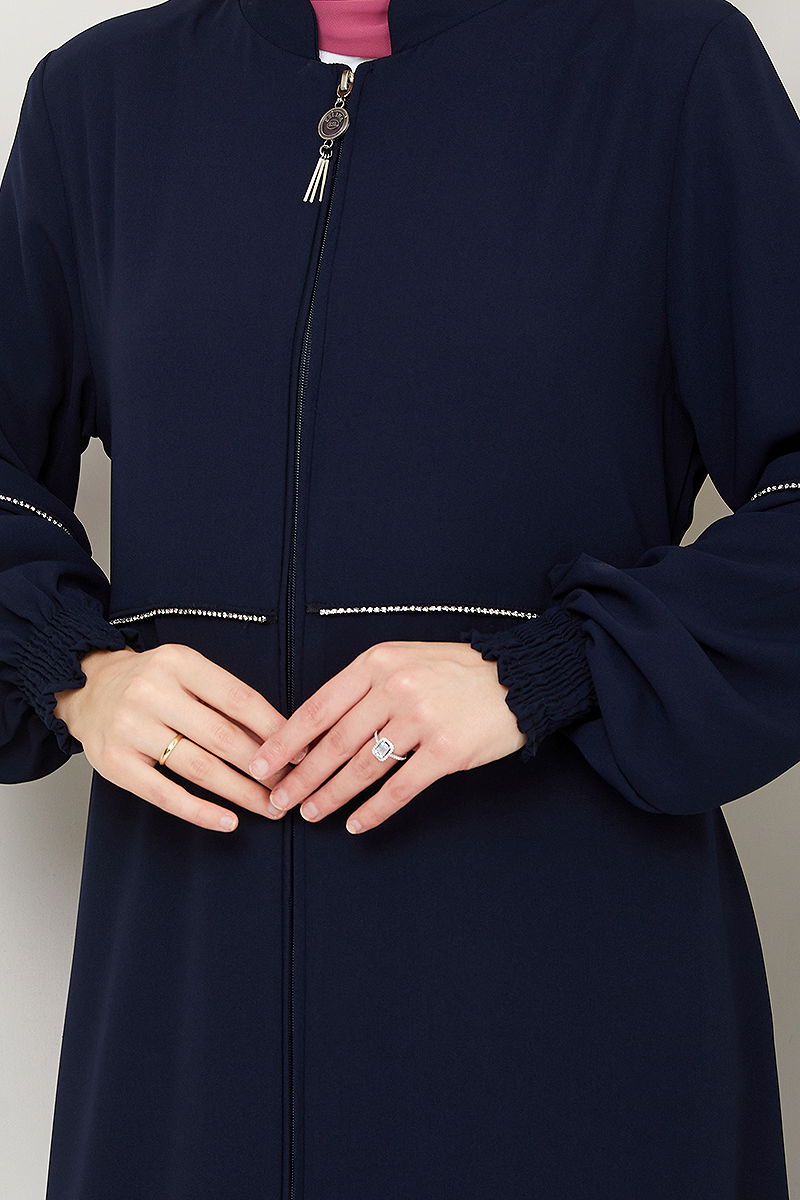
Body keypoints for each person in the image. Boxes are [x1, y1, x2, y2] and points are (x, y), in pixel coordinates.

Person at [2, 0, 798, 1196]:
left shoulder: (665, 70)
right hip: (191, 1007)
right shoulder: (101, 101)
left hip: (564, 995)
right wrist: (74, 670)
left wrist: (548, 671)